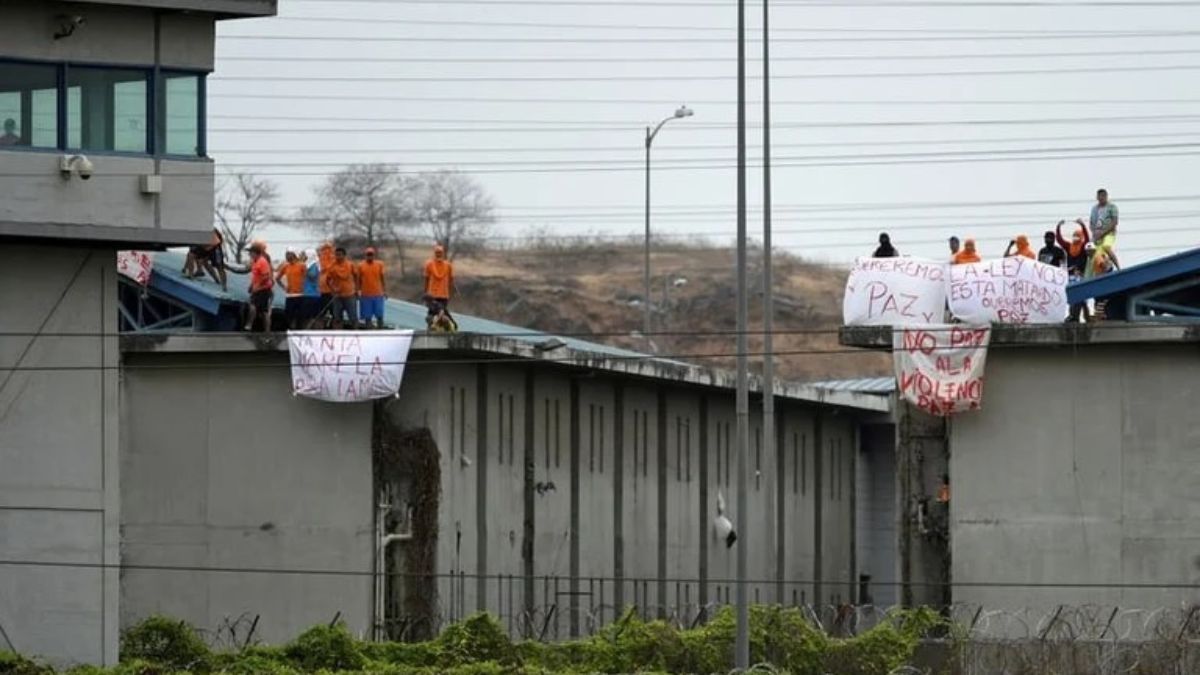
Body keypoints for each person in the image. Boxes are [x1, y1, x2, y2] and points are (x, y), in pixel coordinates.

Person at [1057, 219, 1091, 323]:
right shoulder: (1069, 247)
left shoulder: (1084, 247)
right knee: (1072, 298)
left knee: (1082, 299)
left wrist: (1082, 225)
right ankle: (1073, 316)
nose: (1075, 237)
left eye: (1078, 235)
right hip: (1070, 276)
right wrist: (1058, 227)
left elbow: (1087, 238)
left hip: (1080, 276)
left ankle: (1086, 318)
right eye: (1074, 235)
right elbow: (1060, 240)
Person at [423, 244, 456, 329]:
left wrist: (426, 292)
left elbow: (426, 279)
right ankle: (449, 327)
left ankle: (432, 328)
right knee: (442, 313)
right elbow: (451, 282)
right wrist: (451, 293)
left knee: (432, 314)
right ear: (443, 253)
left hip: (432, 294)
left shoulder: (429, 264)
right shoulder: (448, 265)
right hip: (444, 294)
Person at [326, 247, 359, 329]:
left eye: (340, 255)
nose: (338, 257)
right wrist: (333, 289)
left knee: (353, 317)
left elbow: (357, 277)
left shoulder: (350, 265)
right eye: (336, 255)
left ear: (344, 255)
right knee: (337, 318)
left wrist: (356, 289)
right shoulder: (332, 266)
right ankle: (337, 336)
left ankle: (356, 334)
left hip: (350, 295)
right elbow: (328, 280)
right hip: (337, 296)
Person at [244, 242, 274, 332]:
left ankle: (249, 325)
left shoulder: (262, 261)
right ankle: (265, 330)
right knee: (263, 311)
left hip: (263, 289)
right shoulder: (254, 262)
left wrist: (258, 285)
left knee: (253, 305)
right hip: (257, 288)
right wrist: (251, 285)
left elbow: (266, 276)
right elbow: (255, 276)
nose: (249, 254)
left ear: (255, 252)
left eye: (251, 252)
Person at [1089, 188, 1121, 270]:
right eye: (1100, 196)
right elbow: (1091, 223)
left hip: (1109, 233)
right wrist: (1094, 233)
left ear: (1106, 196)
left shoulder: (1112, 207)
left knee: (1106, 247)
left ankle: (1118, 267)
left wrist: (1102, 233)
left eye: (1103, 196)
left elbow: (1114, 222)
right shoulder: (1094, 209)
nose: (1101, 198)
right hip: (1097, 235)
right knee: (1095, 253)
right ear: (1097, 197)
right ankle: (1103, 270)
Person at [357, 247, 387, 329]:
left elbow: (382, 278)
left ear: (374, 255)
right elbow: (358, 280)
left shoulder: (380, 264)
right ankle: (369, 332)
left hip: (378, 294)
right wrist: (358, 291)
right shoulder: (360, 265)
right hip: (365, 295)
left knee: (379, 315)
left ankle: (380, 330)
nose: (370, 256)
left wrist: (384, 291)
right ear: (365, 255)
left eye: (371, 255)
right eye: (368, 255)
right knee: (367, 317)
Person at [275, 249, 306, 329]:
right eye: (286, 254)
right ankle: (290, 330)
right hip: (290, 295)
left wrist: (304, 286)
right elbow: (277, 278)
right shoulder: (286, 266)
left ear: (294, 254)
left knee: (300, 316)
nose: (287, 256)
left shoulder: (302, 265)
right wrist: (284, 287)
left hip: (300, 295)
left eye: (289, 254)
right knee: (289, 315)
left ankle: (300, 331)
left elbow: (307, 278)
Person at [302, 248, 321, 328]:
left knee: (312, 316)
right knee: (306, 315)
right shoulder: (307, 265)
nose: (303, 257)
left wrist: (304, 271)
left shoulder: (313, 265)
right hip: (307, 293)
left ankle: (308, 330)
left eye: (305, 255)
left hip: (312, 294)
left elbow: (313, 276)